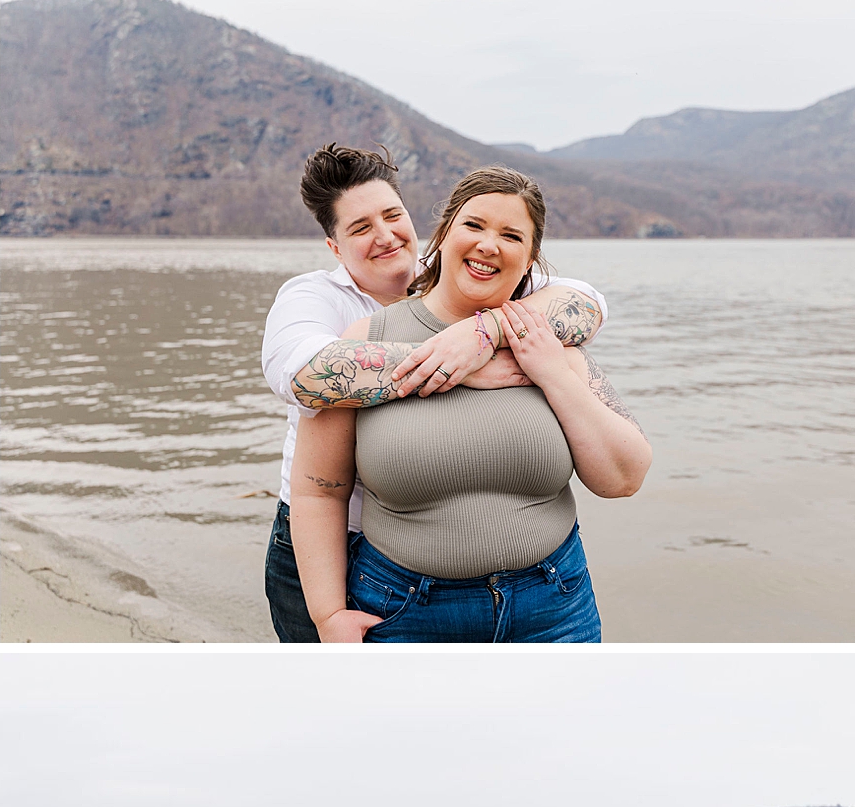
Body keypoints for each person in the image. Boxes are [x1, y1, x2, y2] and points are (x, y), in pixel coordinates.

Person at [260, 144, 610, 643]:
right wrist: (451, 363)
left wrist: (482, 334)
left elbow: (587, 304)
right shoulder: (314, 298)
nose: (384, 236)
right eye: (360, 228)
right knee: (340, 697)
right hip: (324, 539)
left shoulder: (462, 277)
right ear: (334, 246)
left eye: (392, 215)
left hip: (463, 557)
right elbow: (303, 375)